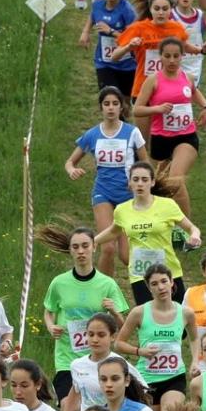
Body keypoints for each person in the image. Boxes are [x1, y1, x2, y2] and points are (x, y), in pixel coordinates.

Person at [41, 224, 129, 400]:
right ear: (70, 251)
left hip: (98, 359)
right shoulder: (59, 283)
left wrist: (113, 311)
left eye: (85, 246)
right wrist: (51, 327)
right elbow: (48, 311)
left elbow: (123, 326)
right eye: (75, 247)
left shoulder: (107, 284)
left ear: (94, 248)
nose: (81, 251)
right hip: (66, 359)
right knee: (68, 407)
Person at [95, 160, 201, 305]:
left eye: (144, 180)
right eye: (136, 179)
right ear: (130, 183)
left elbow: (192, 228)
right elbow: (114, 231)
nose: (140, 184)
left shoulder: (167, 205)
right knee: (148, 321)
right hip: (140, 275)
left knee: (177, 321)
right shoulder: (122, 210)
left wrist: (194, 236)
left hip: (169, 273)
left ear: (152, 182)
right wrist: (92, 241)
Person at [66, 88, 146, 276]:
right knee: (108, 247)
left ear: (121, 107)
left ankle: (149, 291)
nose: (111, 108)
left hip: (128, 196)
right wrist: (72, 170)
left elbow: (145, 163)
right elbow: (70, 161)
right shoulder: (93, 134)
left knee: (127, 256)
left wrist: (138, 181)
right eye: (106, 104)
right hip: (103, 193)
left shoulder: (132, 132)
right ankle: (103, 295)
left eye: (115, 104)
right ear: (101, 107)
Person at [133, 37, 206, 215]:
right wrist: (157, 108)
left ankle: (189, 230)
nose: (171, 60)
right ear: (160, 57)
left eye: (176, 56)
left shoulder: (187, 78)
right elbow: (137, 109)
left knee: (175, 179)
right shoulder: (153, 81)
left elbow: (194, 92)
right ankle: (164, 221)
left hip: (186, 138)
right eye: (167, 56)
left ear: (182, 57)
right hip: (161, 139)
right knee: (161, 187)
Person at [116, 263, 199, 411]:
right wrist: (139, 351)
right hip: (147, 378)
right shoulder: (139, 312)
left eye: (164, 281)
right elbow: (119, 344)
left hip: (174, 377)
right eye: (154, 284)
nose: (160, 287)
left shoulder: (186, 313)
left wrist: (195, 361)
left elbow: (194, 339)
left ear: (172, 282)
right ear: (148, 287)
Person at [112, 0, 206, 112]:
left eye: (165, 9)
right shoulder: (138, 28)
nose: (161, 13)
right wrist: (128, 47)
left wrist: (201, 50)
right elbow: (114, 57)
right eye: (157, 9)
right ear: (151, 9)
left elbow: (184, 46)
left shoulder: (177, 28)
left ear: (171, 9)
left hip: (170, 88)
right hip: (143, 87)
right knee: (146, 132)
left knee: (171, 130)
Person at [79, 0, 139, 97]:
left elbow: (132, 38)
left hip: (126, 64)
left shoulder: (127, 11)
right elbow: (93, 16)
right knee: (111, 97)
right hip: (104, 62)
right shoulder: (97, 5)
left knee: (125, 103)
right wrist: (85, 32)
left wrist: (111, 31)